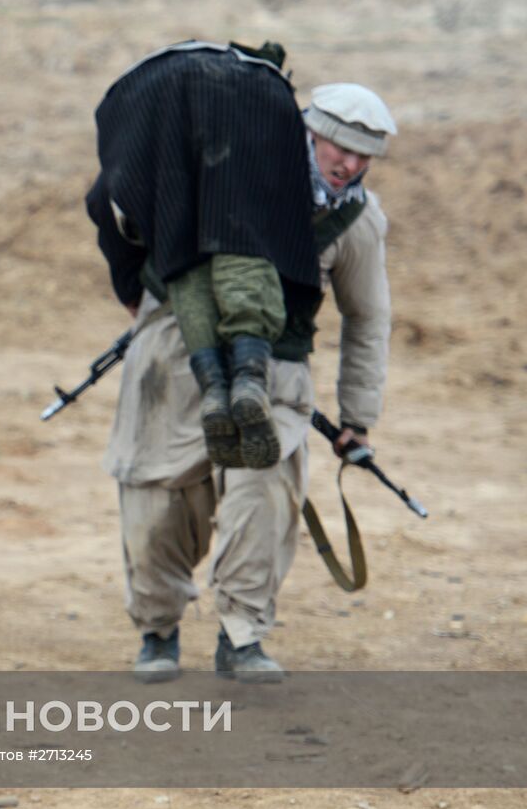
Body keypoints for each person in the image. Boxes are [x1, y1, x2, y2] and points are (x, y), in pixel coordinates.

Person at [99, 72, 395, 683]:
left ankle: (242, 636)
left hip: (278, 372)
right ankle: (158, 630)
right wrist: (133, 291)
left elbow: (367, 318)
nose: (349, 163)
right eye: (339, 146)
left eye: (363, 154)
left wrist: (357, 419)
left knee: (263, 497)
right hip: (173, 351)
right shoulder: (222, 167)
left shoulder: (357, 222)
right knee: (155, 496)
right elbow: (116, 199)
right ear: (310, 134)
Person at [86, 40, 321, 470]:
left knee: (186, 269)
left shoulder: (161, 112)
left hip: (176, 248)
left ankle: (212, 381)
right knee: (247, 260)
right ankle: (250, 376)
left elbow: (103, 199)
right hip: (245, 242)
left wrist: (129, 289)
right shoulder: (260, 100)